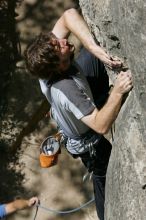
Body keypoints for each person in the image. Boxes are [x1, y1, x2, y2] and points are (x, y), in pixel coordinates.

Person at [24, 8, 133, 220]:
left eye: (58, 42)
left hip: (81, 83)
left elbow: (68, 15)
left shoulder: (46, 64)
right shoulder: (66, 89)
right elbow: (100, 126)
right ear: (58, 66)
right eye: (60, 48)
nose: (63, 41)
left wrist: (95, 48)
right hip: (88, 141)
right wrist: (118, 90)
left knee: (92, 56)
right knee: (105, 178)